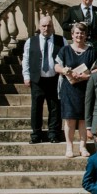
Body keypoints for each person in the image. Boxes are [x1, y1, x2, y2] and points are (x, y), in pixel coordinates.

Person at [54, 22, 97, 158]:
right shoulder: (65, 50)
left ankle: (82, 147)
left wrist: (87, 76)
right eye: (77, 33)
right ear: (72, 35)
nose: (79, 35)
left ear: (86, 35)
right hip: (69, 89)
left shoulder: (91, 51)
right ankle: (69, 146)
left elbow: (96, 70)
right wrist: (64, 70)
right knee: (70, 119)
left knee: (84, 120)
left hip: (86, 89)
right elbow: (56, 67)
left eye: (82, 33)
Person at [22, 15, 64, 144]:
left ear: (53, 26)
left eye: (49, 25)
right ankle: (36, 134)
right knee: (36, 107)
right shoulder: (31, 41)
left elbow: (65, 58)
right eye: (44, 26)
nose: (46, 28)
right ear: (39, 27)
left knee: (55, 107)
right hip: (37, 80)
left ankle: (53, 134)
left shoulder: (61, 40)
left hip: (54, 79)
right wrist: (26, 76)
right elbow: (26, 59)